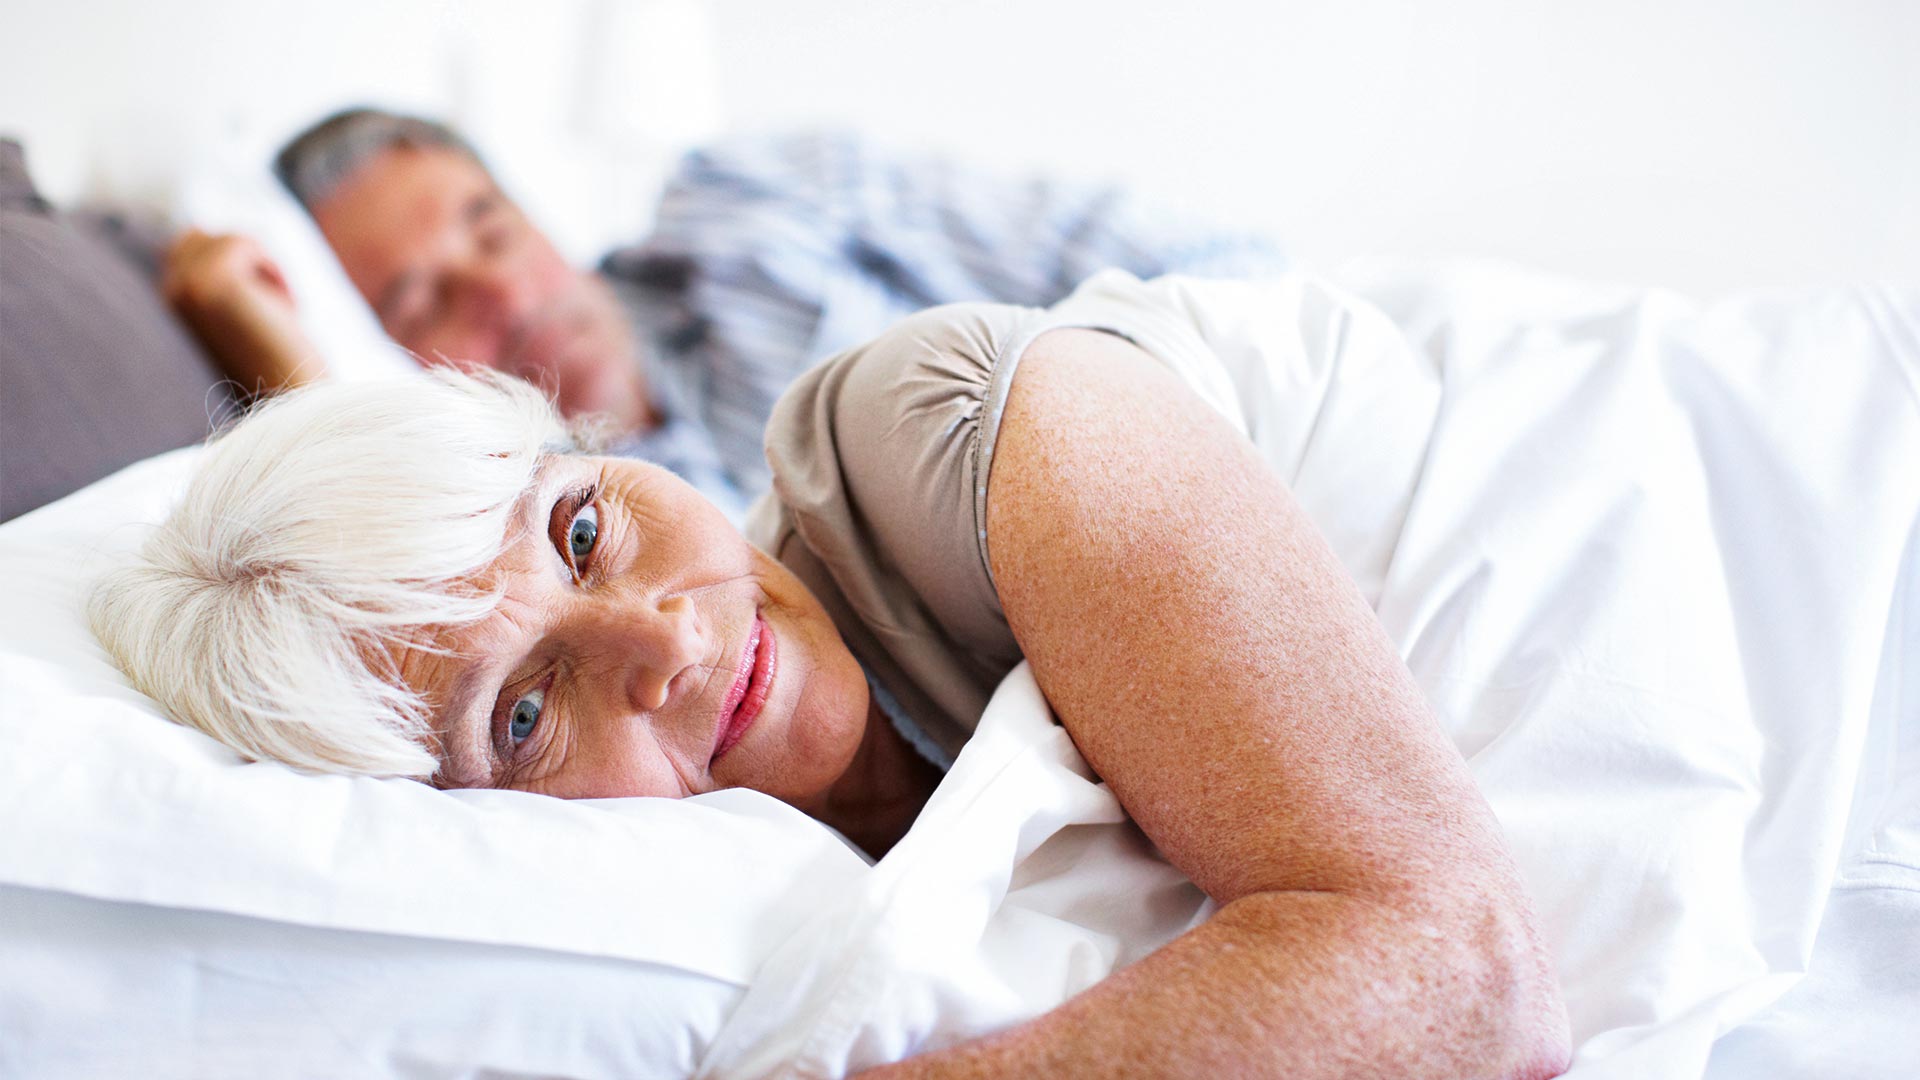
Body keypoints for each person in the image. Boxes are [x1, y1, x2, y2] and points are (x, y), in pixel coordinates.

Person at [91, 263, 1573, 1076]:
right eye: (527, 712)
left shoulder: (933, 433)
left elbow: (1461, 971)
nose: (669, 642)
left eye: (584, 526)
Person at [162, 108, 1285, 513]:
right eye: (422, 300)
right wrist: (278, 355)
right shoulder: (550, 536)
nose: (505, 293)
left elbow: (1199, 265)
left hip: (1232, 451)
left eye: (495, 232)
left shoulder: (759, 205)